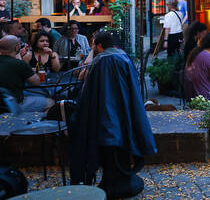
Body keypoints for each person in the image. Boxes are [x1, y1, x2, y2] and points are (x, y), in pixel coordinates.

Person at [68, 31, 156, 196]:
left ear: (99, 45)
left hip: (107, 114)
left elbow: (88, 90)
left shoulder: (102, 60)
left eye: (94, 44)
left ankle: (114, 183)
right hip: (124, 111)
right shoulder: (122, 56)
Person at [0, 35, 53, 112]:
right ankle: (38, 123)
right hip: (13, 104)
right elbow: (36, 82)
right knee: (50, 102)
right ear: (16, 47)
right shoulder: (19, 64)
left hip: (3, 102)